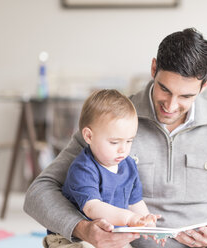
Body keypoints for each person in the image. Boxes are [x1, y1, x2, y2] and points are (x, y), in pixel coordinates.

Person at [24, 28, 207, 248]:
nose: (171, 106)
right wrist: (82, 229)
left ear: (205, 85)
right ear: (153, 68)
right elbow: (38, 193)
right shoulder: (112, 120)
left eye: (185, 96)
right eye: (164, 89)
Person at [43, 89, 162, 248]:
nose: (123, 149)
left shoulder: (129, 166)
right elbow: (93, 208)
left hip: (110, 237)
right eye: (114, 142)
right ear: (89, 136)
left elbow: (135, 202)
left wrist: (148, 224)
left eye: (129, 141)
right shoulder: (84, 169)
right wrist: (129, 219)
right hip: (70, 238)